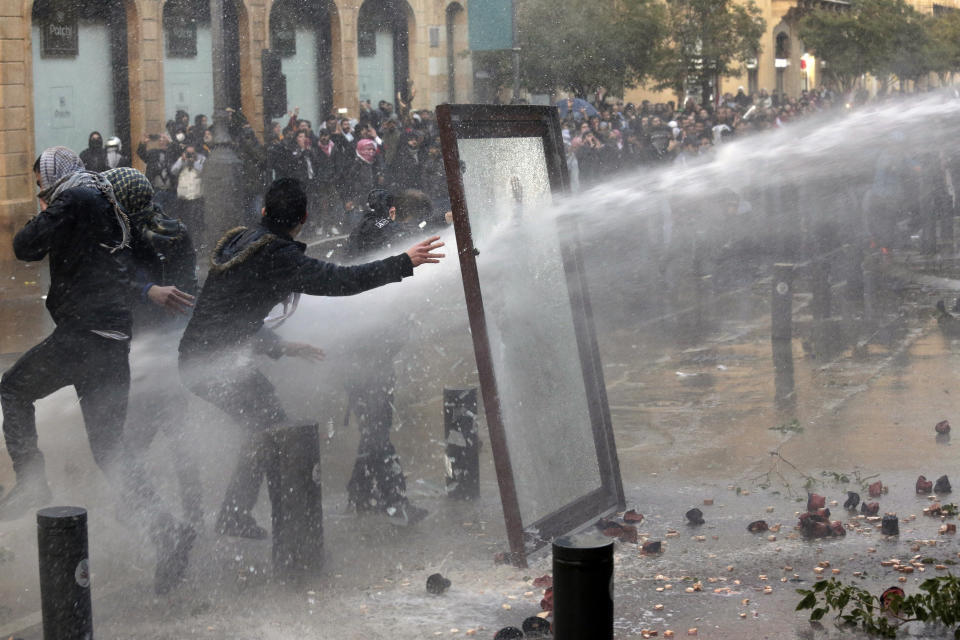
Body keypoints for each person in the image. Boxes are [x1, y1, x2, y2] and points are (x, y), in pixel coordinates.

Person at [178, 177, 444, 538]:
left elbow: (227, 313)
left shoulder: (242, 240)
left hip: (198, 357)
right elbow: (342, 281)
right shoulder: (277, 255)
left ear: (263, 211)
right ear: (303, 218)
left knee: (267, 424)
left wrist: (280, 346)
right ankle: (280, 528)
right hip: (213, 365)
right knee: (275, 427)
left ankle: (239, 514)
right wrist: (403, 262)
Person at [0, 147, 195, 593]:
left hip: (86, 337)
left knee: (12, 388)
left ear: (54, 175)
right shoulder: (100, 204)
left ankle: (31, 481)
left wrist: (50, 210)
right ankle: (169, 532)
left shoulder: (77, 198)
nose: (39, 191)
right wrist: (147, 291)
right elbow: (112, 269)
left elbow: (24, 245)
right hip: (108, 342)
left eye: (40, 182)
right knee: (109, 451)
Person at [102, 166, 202, 529]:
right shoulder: (173, 228)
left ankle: (136, 508)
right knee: (175, 438)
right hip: (168, 349)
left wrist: (146, 293)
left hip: (147, 349)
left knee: (136, 437)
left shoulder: (127, 236)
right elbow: (189, 285)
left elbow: (123, 278)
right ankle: (190, 513)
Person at [170, 144, 205, 244]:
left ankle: (197, 243)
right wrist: (182, 160)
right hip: (183, 197)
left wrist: (194, 162)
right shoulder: (181, 160)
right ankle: (185, 242)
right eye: (188, 153)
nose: (190, 155)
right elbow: (173, 171)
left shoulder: (201, 159)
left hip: (196, 197)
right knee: (184, 221)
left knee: (196, 222)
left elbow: (203, 171)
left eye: (192, 153)